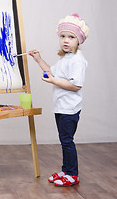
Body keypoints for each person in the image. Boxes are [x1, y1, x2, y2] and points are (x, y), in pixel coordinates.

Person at [29, 13, 89, 187]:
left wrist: (52, 80)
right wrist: (38, 59)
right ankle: (66, 170)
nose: (66, 40)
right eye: (63, 36)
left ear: (79, 41)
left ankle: (73, 174)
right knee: (64, 140)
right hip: (61, 107)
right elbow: (52, 72)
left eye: (71, 37)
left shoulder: (78, 60)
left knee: (67, 140)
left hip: (70, 108)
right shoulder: (66, 58)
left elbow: (76, 85)